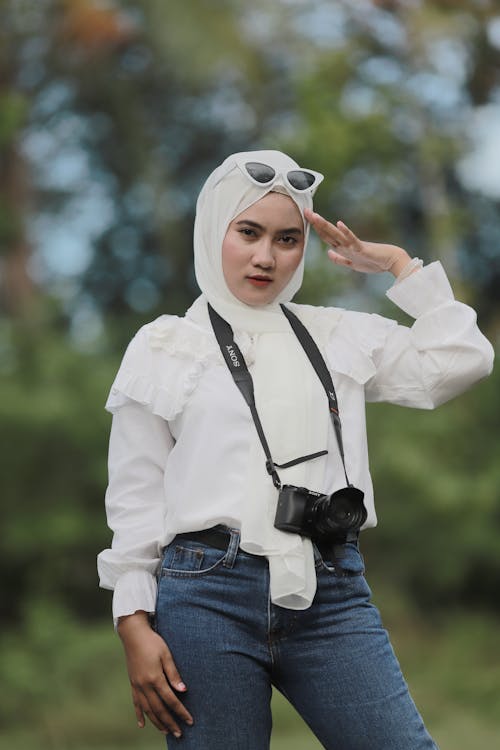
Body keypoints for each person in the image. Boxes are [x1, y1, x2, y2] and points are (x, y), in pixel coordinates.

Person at [97, 150, 494, 749]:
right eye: (248, 232)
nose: (266, 257)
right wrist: (132, 619)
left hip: (332, 590)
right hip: (205, 595)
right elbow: (135, 493)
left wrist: (397, 266)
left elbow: (463, 360)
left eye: (287, 239)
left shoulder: (337, 335)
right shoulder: (164, 347)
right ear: (213, 230)